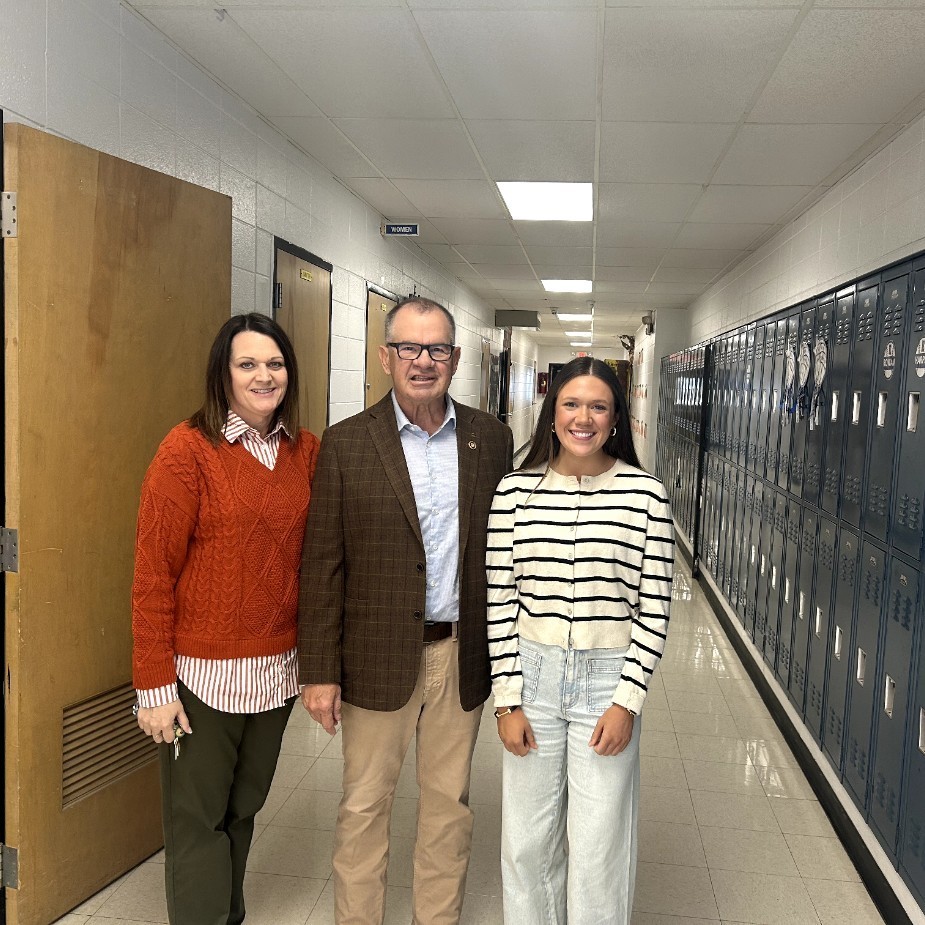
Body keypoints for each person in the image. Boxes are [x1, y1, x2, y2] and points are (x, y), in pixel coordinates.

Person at [298, 296, 513, 925]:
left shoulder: (490, 440)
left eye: (438, 348)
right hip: (372, 659)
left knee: (449, 808)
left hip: (459, 653)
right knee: (364, 807)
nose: (424, 361)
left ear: (456, 357)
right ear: (385, 356)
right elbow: (322, 565)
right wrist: (318, 671)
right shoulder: (345, 444)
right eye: (410, 349)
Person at [131, 312, 320, 925]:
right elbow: (152, 575)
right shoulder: (186, 451)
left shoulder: (304, 451)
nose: (264, 376)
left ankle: (227, 914)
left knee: (243, 807)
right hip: (200, 679)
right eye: (248, 364)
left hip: (274, 675)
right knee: (197, 820)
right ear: (223, 372)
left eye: (275, 363)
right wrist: (154, 687)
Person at [486, 357, 674, 925]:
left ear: (617, 418)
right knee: (527, 843)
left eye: (598, 406)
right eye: (571, 404)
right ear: (552, 413)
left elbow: (654, 609)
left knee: (597, 847)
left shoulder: (646, 496)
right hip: (533, 675)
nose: (583, 418)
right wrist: (508, 699)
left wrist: (627, 702)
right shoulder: (514, 493)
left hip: (606, 679)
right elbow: (499, 602)